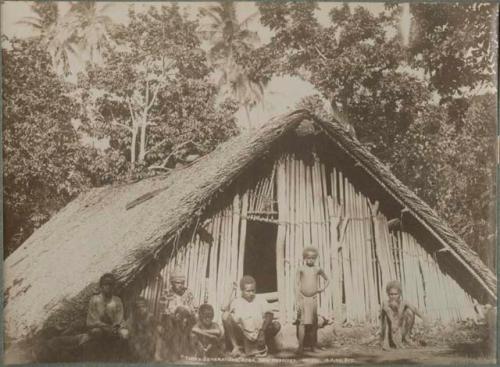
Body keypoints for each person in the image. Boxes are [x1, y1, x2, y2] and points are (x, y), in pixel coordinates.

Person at [222, 275, 281, 357]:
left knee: (276, 325)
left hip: (258, 333)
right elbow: (223, 308)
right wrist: (231, 290)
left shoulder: (260, 299)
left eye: (253, 290)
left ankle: (259, 346)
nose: (251, 293)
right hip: (242, 334)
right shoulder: (236, 301)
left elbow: (269, 314)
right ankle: (236, 347)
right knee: (225, 316)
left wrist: (262, 331)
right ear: (242, 290)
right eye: (248, 291)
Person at [85, 273, 129, 360]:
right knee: (97, 332)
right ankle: (97, 359)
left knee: (125, 334)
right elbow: (93, 318)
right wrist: (105, 327)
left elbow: (119, 318)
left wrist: (115, 327)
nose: (109, 287)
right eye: (106, 284)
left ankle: (117, 360)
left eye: (111, 284)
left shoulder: (117, 300)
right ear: (101, 286)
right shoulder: (95, 299)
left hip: (113, 327)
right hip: (98, 327)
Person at [155, 268, 196, 361]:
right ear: (172, 282)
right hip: (171, 320)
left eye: (182, 282)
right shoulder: (166, 293)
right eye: (178, 282)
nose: (180, 285)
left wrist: (185, 313)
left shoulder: (188, 293)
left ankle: (185, 353)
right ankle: (173, 354)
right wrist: (175, 315)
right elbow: (163, 311)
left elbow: (194, 309)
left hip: (186, 320)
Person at [296, 246, 329, 355]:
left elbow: (327, 279)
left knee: (314, 322)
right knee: (301, 322)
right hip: (303, 299)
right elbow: (296, 284)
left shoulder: (317, 269)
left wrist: (321, 289)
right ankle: (300, 346)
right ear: (304, 258)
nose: (310, 260)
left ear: (315, 258)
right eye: (308, 258)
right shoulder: (301, 269)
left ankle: (313, 346)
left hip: (313, 299)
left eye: (313, 258)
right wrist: (298, 298)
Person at [380, 280, 427, 350]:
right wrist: (393, 323)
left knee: (410, 312)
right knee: (387, 316)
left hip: (399, 330)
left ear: (400, 294)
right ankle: (385, 342)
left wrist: (424, 318)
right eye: (391, 294)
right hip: (388, 331)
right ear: (388, 294)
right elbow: (388, 311)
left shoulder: (403, 303)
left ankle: (406, 338)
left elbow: (415, 309)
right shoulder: (385, 302)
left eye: (395, 294)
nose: (393, 296)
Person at [127, 297, 157, 362]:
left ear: (147, 307)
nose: (141, 309)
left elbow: (154, 332)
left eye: (143, 306)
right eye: (138, 307)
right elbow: (130, 329)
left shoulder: (150, 317)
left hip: (147, 341)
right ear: (135, 309)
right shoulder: (133, 317)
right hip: (136, 340)